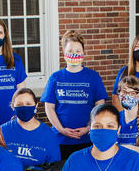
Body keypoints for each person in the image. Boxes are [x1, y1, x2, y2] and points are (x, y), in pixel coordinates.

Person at [42, 30, 108, 159]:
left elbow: (100, 106)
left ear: (83, 53)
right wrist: (61, 130)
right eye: (70, 51)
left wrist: (88, 128)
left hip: (88, 138)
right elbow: (49, 107)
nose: (74, 54)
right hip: (61, 140)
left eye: (78, 51)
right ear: (64, 53)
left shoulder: (93, 77)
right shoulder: (55, 77)